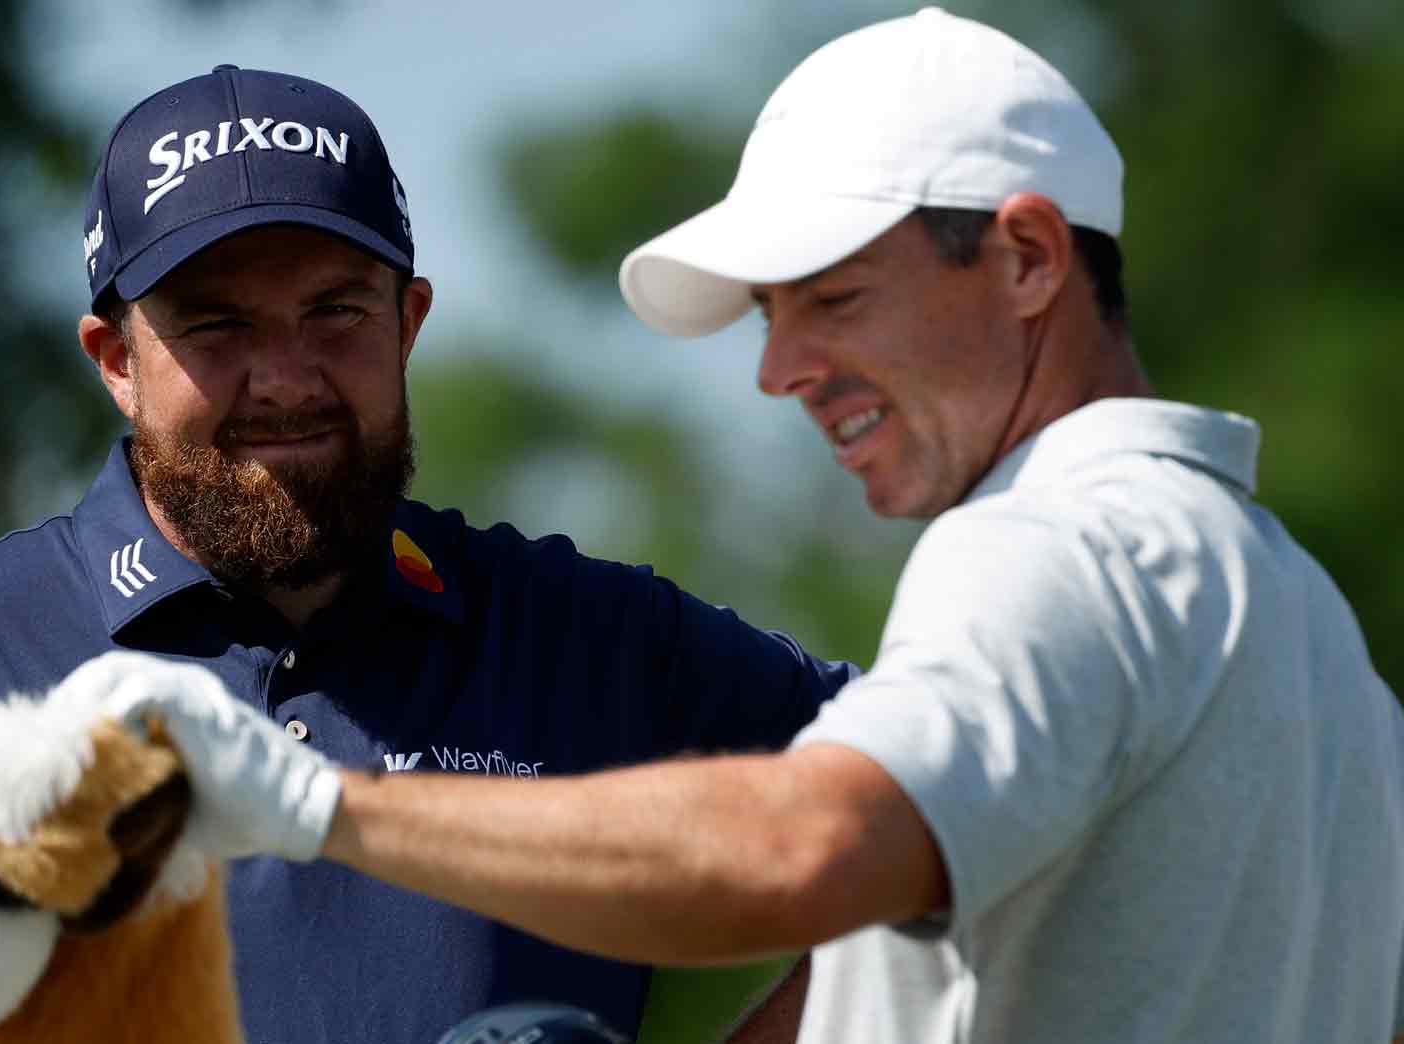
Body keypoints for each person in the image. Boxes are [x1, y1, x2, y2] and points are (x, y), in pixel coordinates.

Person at [93, 12, 1404, 1043]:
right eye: (770, 314)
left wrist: (313, 801)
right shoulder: (1307, 625)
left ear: (1027, 259)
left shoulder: (1045, 548)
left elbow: (809, 844)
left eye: (832, 297)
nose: (779, 370)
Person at [0, 67, 855, 1043]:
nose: (285, 378)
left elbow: (975, 815)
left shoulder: (594, 639)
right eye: (214, 326)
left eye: (335, 313)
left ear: (408, 325)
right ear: (114, 360)